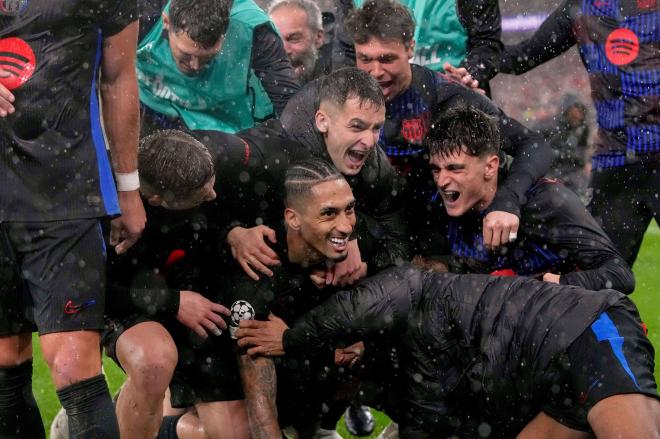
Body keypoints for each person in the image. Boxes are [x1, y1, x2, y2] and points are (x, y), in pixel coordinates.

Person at [236, 264, 660, 438]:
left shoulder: (408, 293)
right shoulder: (401, 385)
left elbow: (363, 304)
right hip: (548, 387)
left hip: (588, 329)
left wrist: (292, 339)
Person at [283, 0, 552, 260]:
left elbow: (534, 146)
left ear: (410, 48)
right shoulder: (328, 100)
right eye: (365, 59)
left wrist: (508, 200)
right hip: (371, 227)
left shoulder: (445, 98)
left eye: (387, 59)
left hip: (442, 232)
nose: (375, 72)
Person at [0, 2, 145, 438]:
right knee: (5, 361)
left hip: (65, 191)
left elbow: (119, 76)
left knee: (73, 367)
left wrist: (129, 185)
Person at [498, 0, 660, 266]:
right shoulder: (582, 8)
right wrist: (477, 59)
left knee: (598, 279)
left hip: (622, 164)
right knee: (596, 281)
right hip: (616, 166)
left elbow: (522, 57)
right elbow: (523, 55)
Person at [229, 68, 410, 287]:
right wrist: (232, 232)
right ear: (323, 121)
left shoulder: (377, 170)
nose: (370, 141)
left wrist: (366, 263)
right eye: (357, 126)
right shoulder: (269, 155)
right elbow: (203, 191)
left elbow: (401, 242)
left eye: (376, 128)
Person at [427, 106, 634, 294]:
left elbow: (620, 275)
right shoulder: (437, 206)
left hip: (563, 321)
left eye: (455, 168)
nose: (442, 181)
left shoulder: (547, 202)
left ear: (490, 167)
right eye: (436, 170)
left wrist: (553, 283)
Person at [137, 0, 300, 134]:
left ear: (226, 30)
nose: (195, 66)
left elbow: (293, 108)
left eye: (207, 57)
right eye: (186, 55)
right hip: (154, 108)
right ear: (167, 22)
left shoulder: (254, 29)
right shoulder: (143, 14)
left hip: (224, 127)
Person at [534, 94, 591, 202]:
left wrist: (578, 159)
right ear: (567, 110)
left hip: (571, 176)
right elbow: (538, 150)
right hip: (550, 174)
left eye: (581, 112)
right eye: (575, 112)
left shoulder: (582, 129)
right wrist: (561, 154)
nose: (579, 116)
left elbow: (582, 154)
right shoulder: (550, 126)